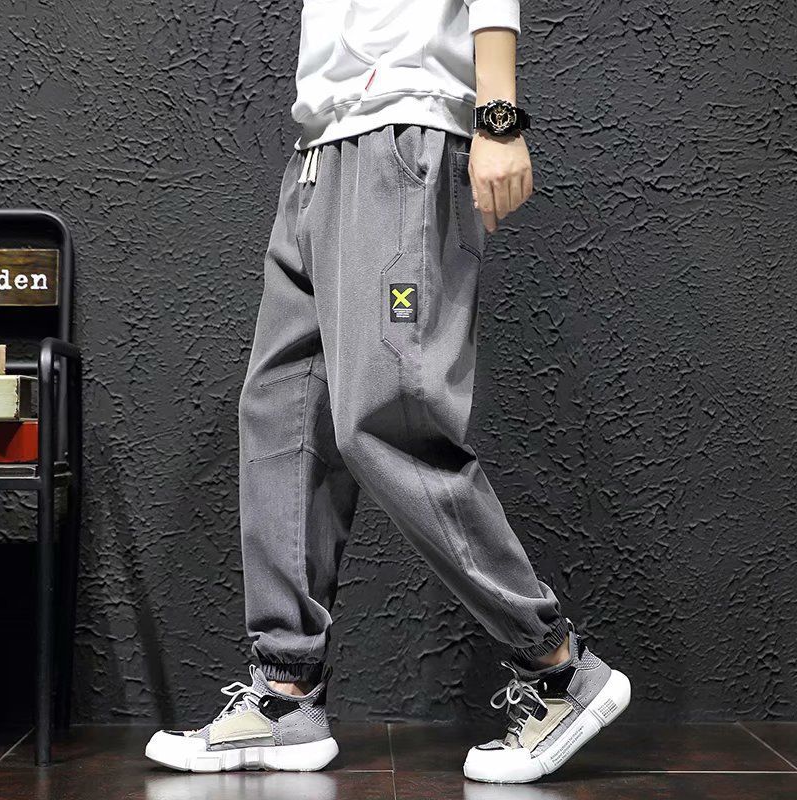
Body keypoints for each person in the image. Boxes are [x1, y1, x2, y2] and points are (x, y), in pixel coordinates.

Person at [145, 0, 631, 783]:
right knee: (281, 416)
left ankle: (558, 668)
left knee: (386, 417)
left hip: (402, 137)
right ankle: (285, 695)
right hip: (318, 151)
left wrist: (498, 118)